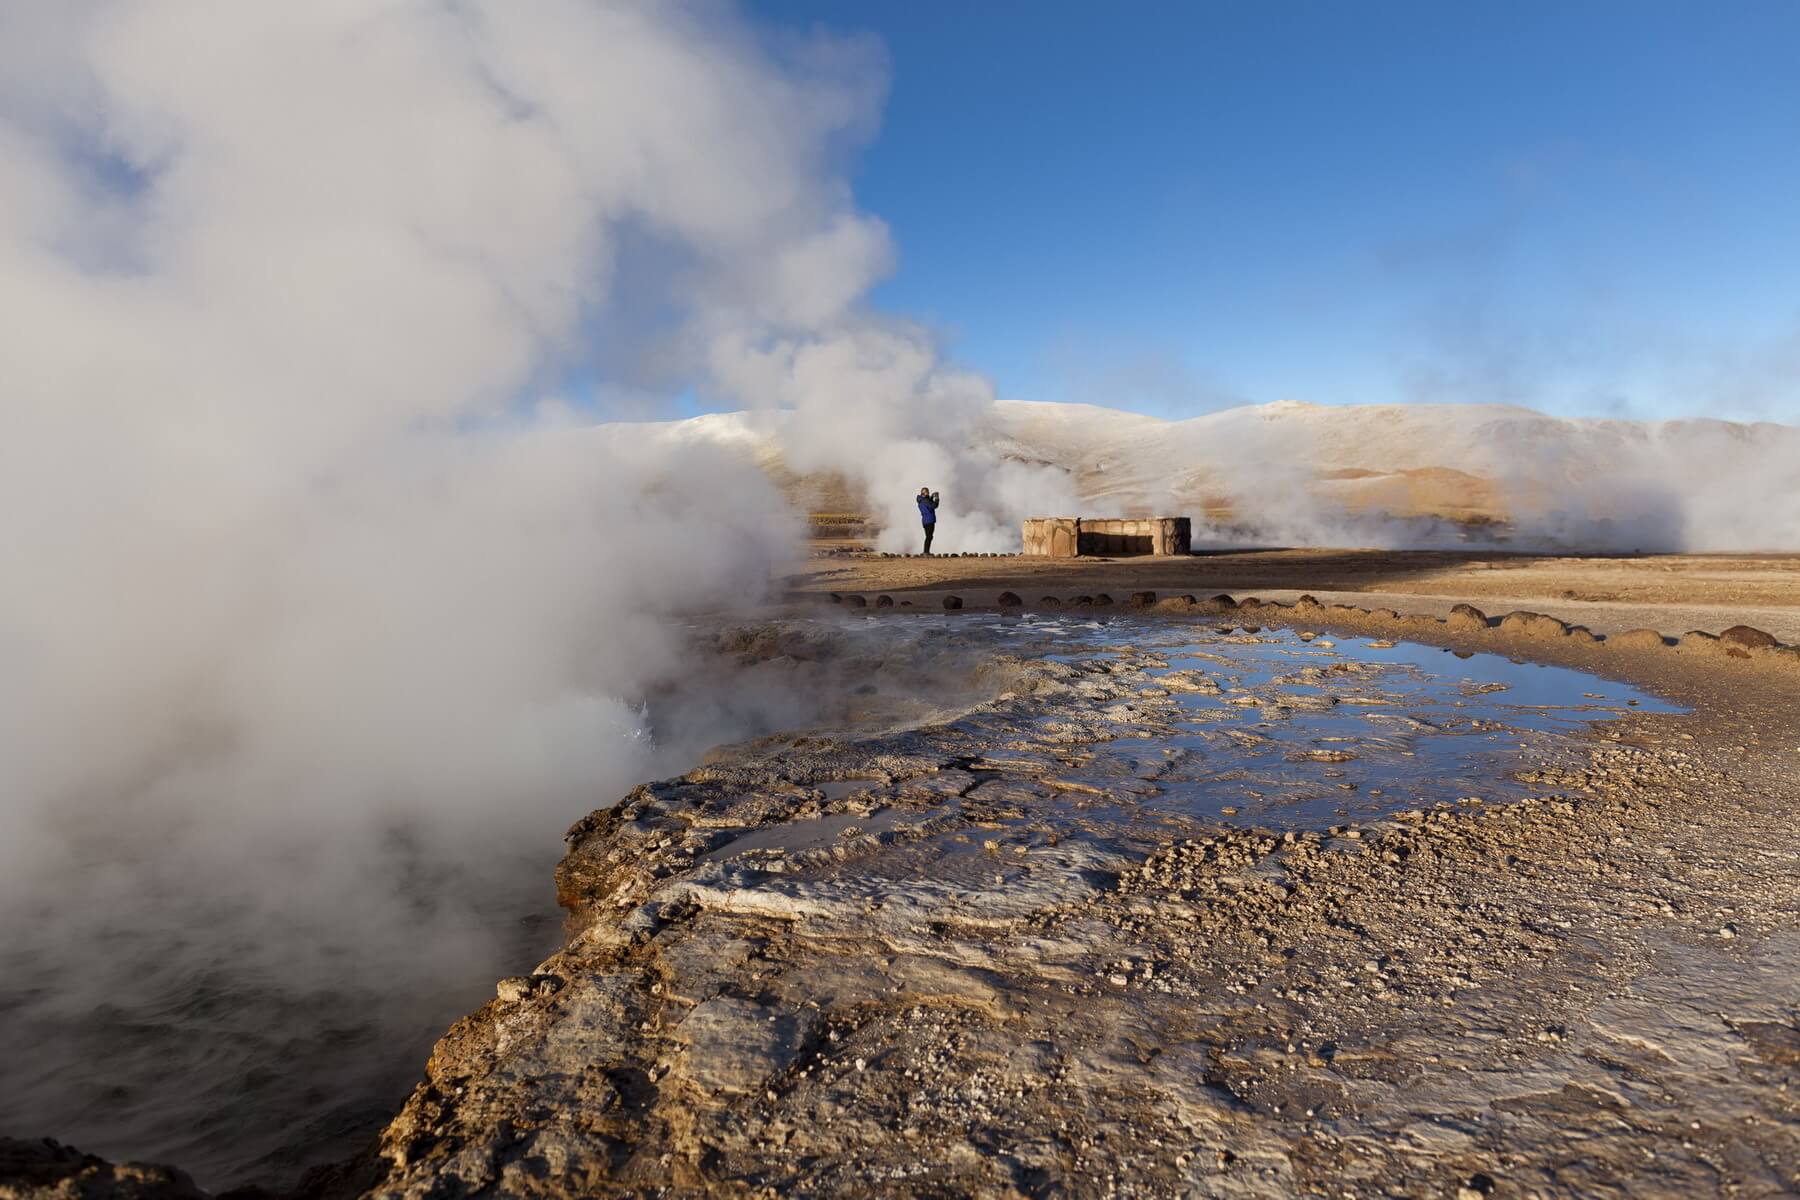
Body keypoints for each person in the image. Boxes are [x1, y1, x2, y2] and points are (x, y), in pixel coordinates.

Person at [917, 486, 940, 554]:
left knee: (929, 537)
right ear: (924, 493)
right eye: (927, 492)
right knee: (929, 537)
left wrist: (931, 497)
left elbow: (928, 504)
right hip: (929, 520)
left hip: (925, 521)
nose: (928, 493)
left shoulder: (921, 500)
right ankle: (926, 552)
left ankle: (926, 551)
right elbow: (934, 506)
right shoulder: (925, 501)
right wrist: (937, 498)